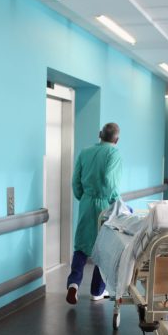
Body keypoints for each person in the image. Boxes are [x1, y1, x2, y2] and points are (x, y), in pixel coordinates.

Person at [66, 122, 122, 305]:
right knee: (103, 247)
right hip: (104, 204)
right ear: (117, 140)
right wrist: (114, 202)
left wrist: (83, 197)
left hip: (86, 202)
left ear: (100, 134)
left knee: (81, 245)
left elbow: (75, 181)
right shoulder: (114, 153)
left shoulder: (85, 152)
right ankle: (97, 291)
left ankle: (73, 284)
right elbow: (110, 182)